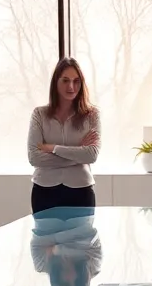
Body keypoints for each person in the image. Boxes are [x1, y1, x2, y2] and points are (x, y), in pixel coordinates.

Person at [28, 58, 101, 214]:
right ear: (56, 82)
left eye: (76, 81)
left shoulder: (92, 115)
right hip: (44, 192)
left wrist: (54, 148)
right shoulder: (39, 114)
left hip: (81, 192)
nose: (71, 86)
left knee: (82, 232)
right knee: (45, 232)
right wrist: (78, 153)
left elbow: (91, 155)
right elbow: (34, 158)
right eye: (65, 80)